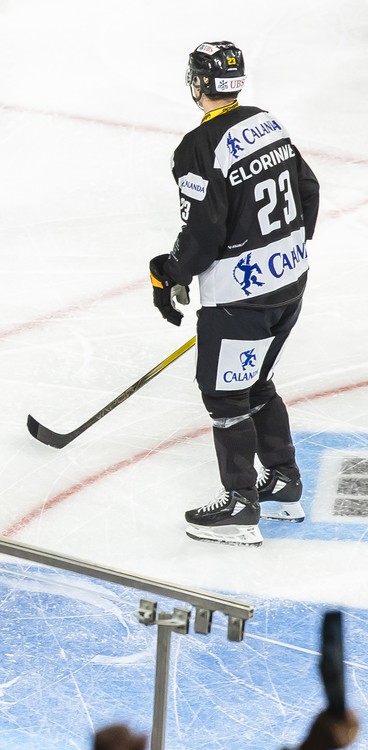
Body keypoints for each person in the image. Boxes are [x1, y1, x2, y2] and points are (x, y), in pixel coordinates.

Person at [148, 41, 319, 546]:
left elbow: (202, 233)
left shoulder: (198, 148)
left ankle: (242, 507)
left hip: (240, 297)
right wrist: (281, 249)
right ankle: (285, 483)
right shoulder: (268, 123)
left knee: (224, 395)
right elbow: (307, 191)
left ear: (197, 83)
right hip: (290, 279)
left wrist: (169, 271)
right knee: (257, 380)